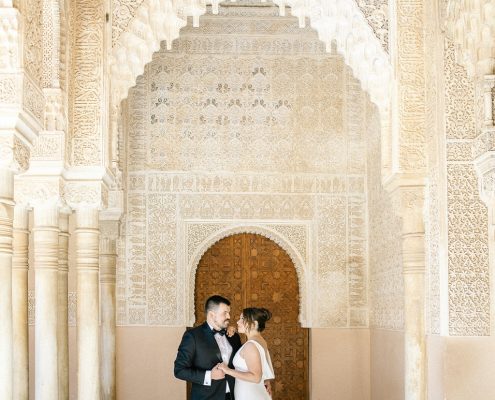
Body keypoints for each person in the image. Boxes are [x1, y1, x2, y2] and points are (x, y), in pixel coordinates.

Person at [174, 295, 242, 400]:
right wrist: (209, 375)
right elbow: (179, 370)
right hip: (207, 397)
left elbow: (243, 363)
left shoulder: (233, 336)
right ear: (211, 315)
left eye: (229, 312)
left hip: (234, 395)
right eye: (225, 313)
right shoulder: (193, 336)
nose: (229, 316)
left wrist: (264, 379)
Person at [217, 308, 275, 400]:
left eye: (242, 319)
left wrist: (227, 370)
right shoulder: (260, 341)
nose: (237, 322)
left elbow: (256, 377)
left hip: (250, 394)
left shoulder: (251, 345)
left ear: (254, 324)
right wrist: (266, 380)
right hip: (252, 392)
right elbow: (263, 366)